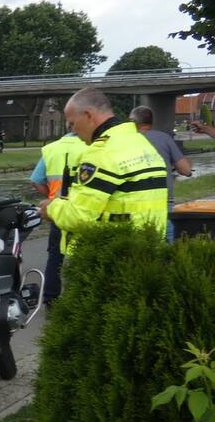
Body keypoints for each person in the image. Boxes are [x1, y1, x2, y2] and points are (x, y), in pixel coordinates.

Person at [40, 88, 167, 251]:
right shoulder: (140, 143)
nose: (72, 131)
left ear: (88, 115)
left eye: (72, 123)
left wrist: (50, 208)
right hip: (147, 248)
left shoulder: (102, 152)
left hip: (106, 256)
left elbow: (79, 217)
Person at [31, 132, 87, 304]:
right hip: (80, 209)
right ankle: (79, 297)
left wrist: (50, 198)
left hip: (56, 211)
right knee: (82, 254)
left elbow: (35, 180)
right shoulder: (89, 148)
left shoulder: (51, 149)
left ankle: (50, 298)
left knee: (55, 255)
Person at [129, 106, 191, 241]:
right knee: (167, 242)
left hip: (135, 201)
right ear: (151, 121)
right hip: (163, 199)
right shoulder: (164, 138)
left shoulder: (126, 140)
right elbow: (185, 170)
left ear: (132, 122)